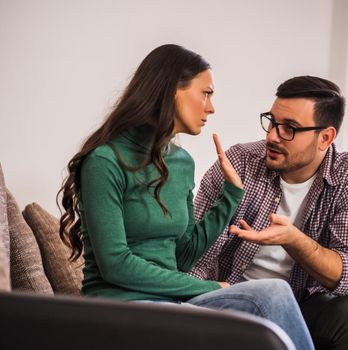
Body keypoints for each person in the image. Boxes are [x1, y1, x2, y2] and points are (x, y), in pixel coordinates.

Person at [57, 44, 314, 350]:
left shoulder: (181, 162)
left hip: (173, 300)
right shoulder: (105, 162)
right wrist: (205, 287)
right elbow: (116, 264)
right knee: (254, 307)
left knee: (275, 292)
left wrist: (231, 196)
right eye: (206, 93)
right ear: (171, 91)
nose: (211, 107)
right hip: (120, 305)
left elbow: (183, 256)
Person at [190, 76, 348, 350]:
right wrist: (191, 298)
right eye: (272, 122)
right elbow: (195, 252)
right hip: (231, 294)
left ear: (325, 137)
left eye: (289, 128)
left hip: (303, 304)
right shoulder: (240, 162)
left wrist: (294, 240)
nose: (272, 136)